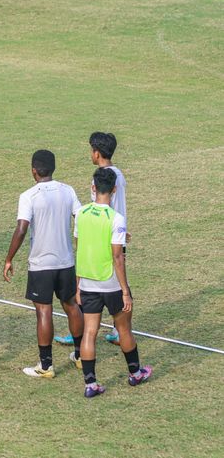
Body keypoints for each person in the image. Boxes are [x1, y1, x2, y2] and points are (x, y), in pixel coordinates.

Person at [3, 150, 84, 378]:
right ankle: (80, 354)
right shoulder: (67, 191)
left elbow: (21, 228)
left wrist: (9, 258)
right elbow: (81, 217)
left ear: (33, 170)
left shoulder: (29, 195)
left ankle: (46, 366)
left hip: (41, 264)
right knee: (71, 305)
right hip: (65, 262)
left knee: (43, 311)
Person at [75, 168, 152, 397]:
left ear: (93, 188)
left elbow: (80, 246)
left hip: (88, 282)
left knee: (89, 332)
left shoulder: (81, 213)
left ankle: (91, 384)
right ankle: (135, 373)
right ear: (114, 189)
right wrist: (126, 291)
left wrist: (78, 284)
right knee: (123, 328)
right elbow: (118, 257)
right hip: (111, 284)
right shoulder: (116, 218)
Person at [55, 132, 129, 346]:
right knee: (117, 283)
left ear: (96, 153)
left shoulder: (99, 178)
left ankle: (80, 330)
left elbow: (98, 212)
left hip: (103, 239)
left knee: (88, 286)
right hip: (116, 234)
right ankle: (118, 328)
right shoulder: (119, 174)